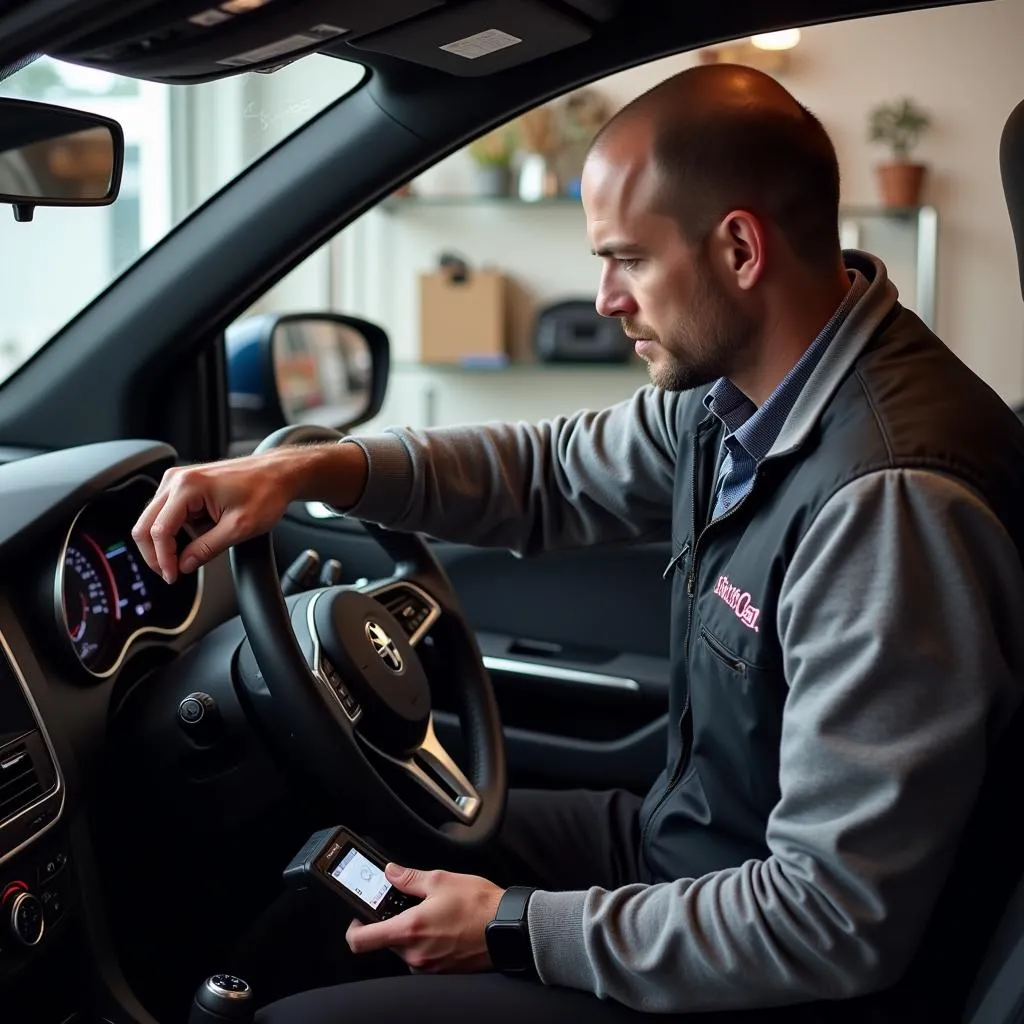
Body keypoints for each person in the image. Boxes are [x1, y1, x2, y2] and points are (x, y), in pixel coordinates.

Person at [133, 64, 1024, 1022]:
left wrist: (513, 927)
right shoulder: (741, 398)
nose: (603, 298)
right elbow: (545, 473)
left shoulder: (887, 504)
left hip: (768, 977)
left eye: (627, 259)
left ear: (737, 249)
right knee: (354, 848)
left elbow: (830, 918)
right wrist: (306, 472)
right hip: (688, 862)